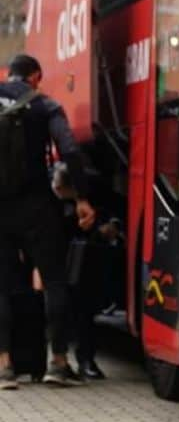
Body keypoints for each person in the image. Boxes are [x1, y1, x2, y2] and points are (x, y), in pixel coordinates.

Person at [0, 54, 95, 388]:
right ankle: (57, 362)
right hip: (38, 206)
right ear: (36, 76)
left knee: (4, 284)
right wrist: (81, 197)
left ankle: (5, 366)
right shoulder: (45, 104)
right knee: (54, 280)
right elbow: (69, 149)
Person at [51, 163, 121, 380]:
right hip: (55, 249)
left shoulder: (94, 186)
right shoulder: (48, 191)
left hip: (87, 253)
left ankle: (85, 360)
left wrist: (109, 226)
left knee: (84, 309)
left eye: (61, 189)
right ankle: (56, 359)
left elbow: (117, 208)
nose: (57, 192)